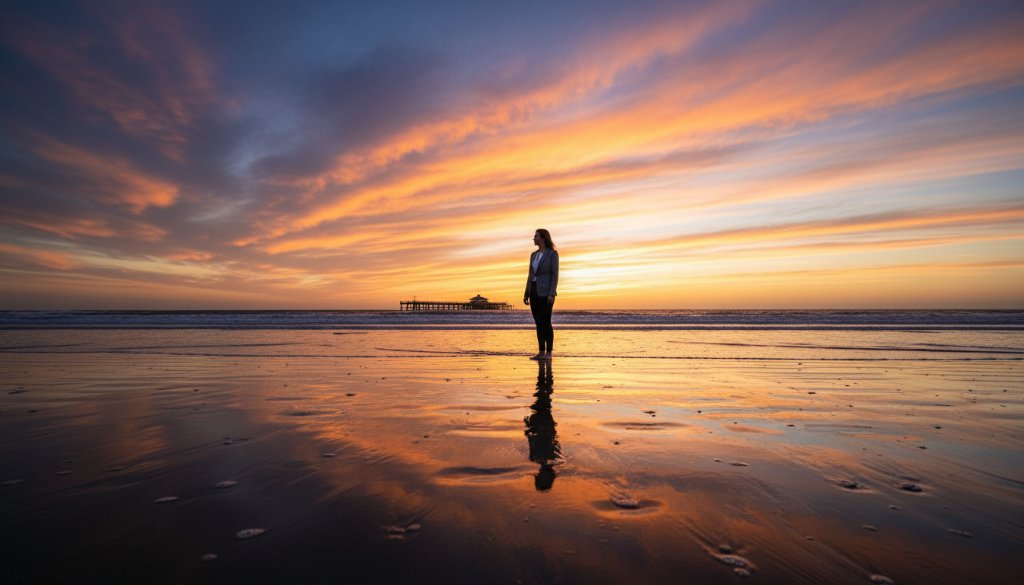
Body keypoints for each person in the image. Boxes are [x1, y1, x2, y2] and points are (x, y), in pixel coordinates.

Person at [523, 228, 558, 360]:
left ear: (543, 238)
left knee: (546, 322)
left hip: (546, 292)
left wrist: (552, 294)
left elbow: (555, 275)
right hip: (533, 291)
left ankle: (549, 353)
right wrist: (526, 293)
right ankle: (541, 352)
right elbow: (530, 275)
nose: (534, 238)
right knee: (538, 322)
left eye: (536, 236)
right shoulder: (533, 255)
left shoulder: (552, 254)